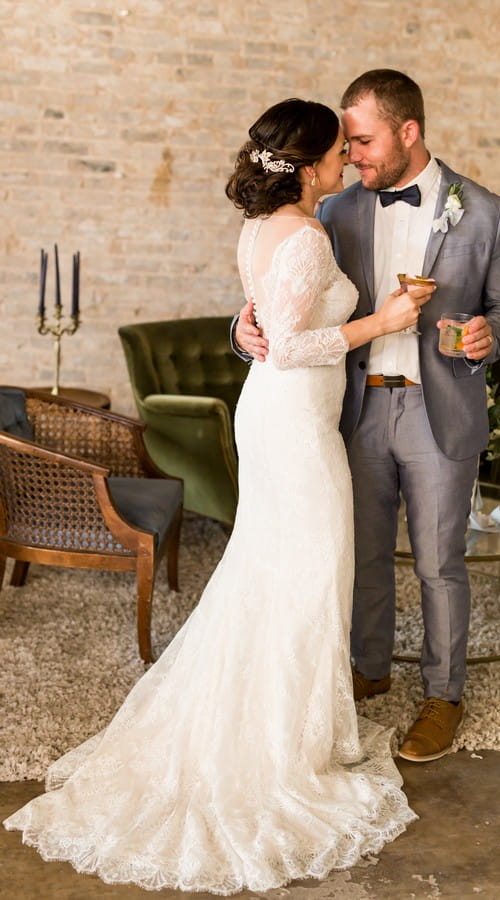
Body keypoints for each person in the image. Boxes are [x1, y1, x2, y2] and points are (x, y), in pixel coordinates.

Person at [3, 98, 436, 895]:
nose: (345, 162)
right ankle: (287, 749)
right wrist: (385, 319)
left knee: (278, 572)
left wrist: (250, 326)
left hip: (279, 420)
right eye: (337, 152)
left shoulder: (261, 227)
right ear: (307, 166)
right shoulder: (304, 234)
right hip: (297, 426)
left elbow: (264, 323)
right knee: (307, 573)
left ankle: (300, 724)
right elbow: (290, 345)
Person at [233, 70, 500, 764]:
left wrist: (494, 333)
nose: (353, 155)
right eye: (346, 144)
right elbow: (282, 295)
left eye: (363, 141)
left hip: (438, 409)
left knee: (437, 562)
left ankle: (442, 695)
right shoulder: (333, 211)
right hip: (352, 409)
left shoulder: (484, 211)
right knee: (360, 553)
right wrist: (240, 329)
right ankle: (368, 670)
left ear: (408, 132)